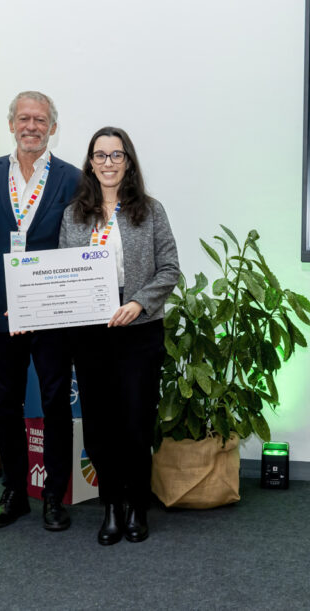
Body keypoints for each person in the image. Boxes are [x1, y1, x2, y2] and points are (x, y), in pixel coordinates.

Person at [59, 126, 179, 545]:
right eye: (100, 155)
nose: (108, 163)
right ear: (90, 163)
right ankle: (111, 504)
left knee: (136, 422)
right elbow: (64, 273)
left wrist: (139, 303)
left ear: (128, 162)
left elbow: (170, 268)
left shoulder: (151, 211)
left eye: (116, 155)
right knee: (98, 424)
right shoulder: (74, 214)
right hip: (91, 335)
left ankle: (136, 506)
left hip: (139, 332)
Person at [0, 91, 81, 531]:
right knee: (6, 405)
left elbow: (79, 245)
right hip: (0, 313)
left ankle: (54, 495)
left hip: (51, 313)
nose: (31, 126)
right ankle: (15, 492)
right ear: (11, 124)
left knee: (56, 402)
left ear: (52, 127)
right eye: (24, 118)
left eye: (40, 120)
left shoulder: (73, 179)